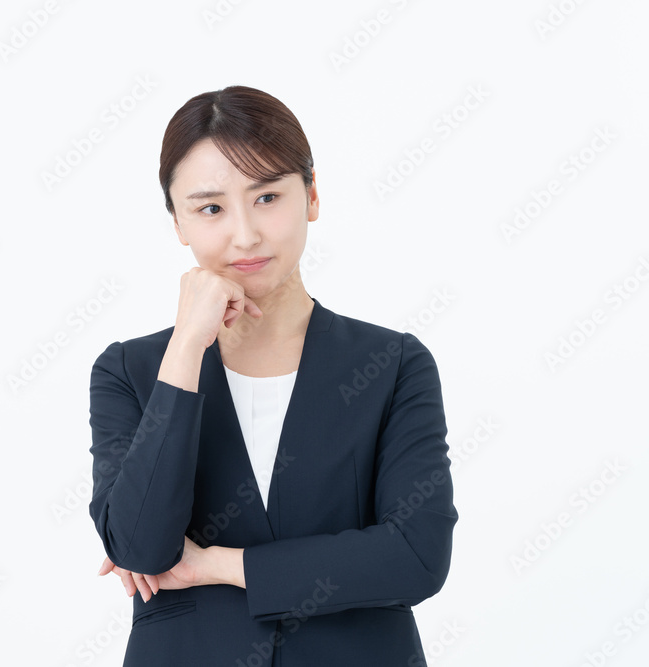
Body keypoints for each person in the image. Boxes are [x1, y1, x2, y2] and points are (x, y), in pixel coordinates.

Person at [88, 84, 457, 666]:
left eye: (266, 197)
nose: (245, 235)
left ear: (311, 196)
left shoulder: (392, 364)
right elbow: (139, 547)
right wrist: (186, 348)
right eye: (211, 208)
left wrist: (218, 565)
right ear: (179, 223)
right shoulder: (130, 371)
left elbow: (416, 556)